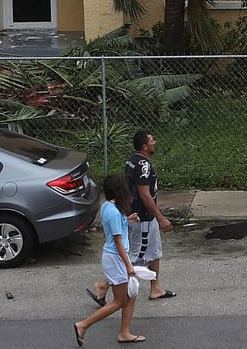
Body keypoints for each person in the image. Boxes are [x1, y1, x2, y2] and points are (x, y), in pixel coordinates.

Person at [74, 173, 145, 345]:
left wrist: (126, 220)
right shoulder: (113, 212)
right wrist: (128, 265)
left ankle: (125, 332)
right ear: (120, 191)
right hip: (116, 259)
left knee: (131, 292)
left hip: (114, 257)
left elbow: (115, 230)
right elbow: (119, 242)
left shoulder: (107, 206)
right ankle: (83, 325)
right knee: (120, 301)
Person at [125, 130, 176, 300]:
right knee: (135, 257)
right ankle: (103, 286)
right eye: (152, 140)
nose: (155, 142)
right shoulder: (143, 166)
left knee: (154, 253)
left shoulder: (131, 161)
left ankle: (156, 287)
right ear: (145, 146)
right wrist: (161, 218)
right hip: (143, 219)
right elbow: (145, 195)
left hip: (143, 217)